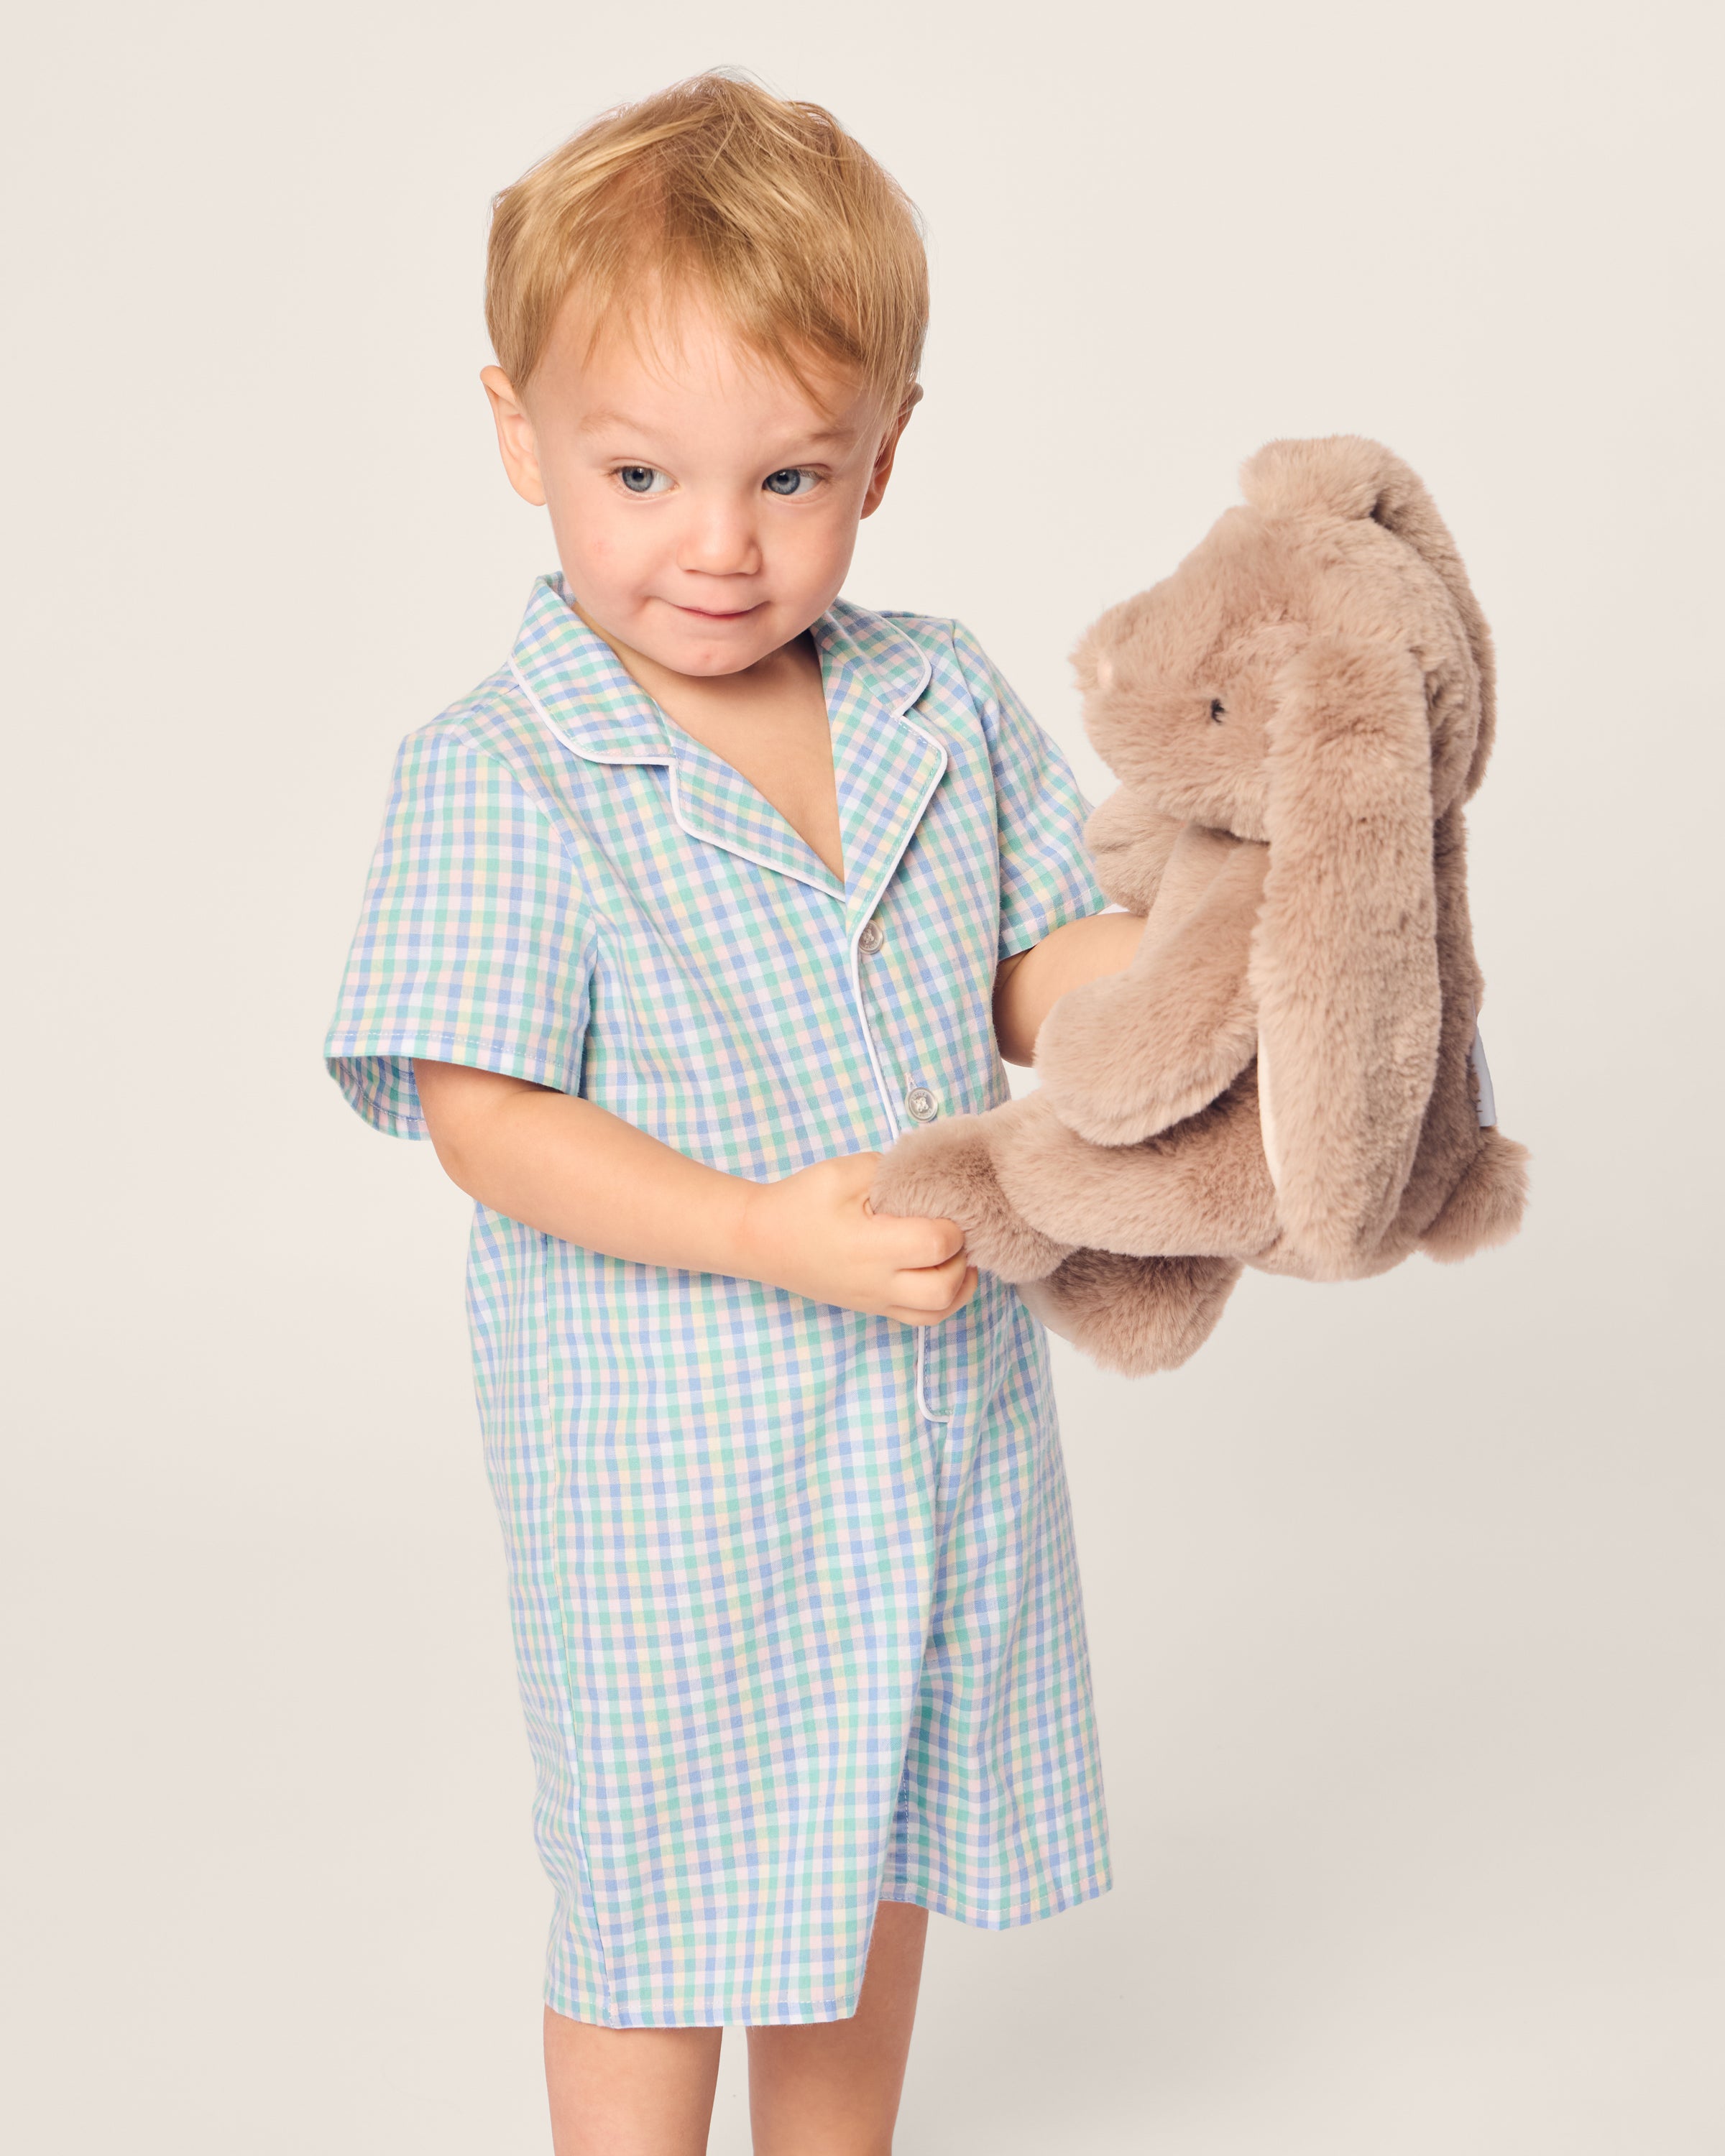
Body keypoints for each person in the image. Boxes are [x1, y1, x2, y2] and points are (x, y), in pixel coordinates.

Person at [324, 72, 1144, 2156]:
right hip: (679, 1469)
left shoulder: (937, 699)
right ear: (517, 434)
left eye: (792, 474)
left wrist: (1168, 998)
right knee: (667, 1890)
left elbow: (1038, 962)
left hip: (930, 1428)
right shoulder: (500, 768)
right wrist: (763, 1230)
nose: (720, 544)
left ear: (886, 446)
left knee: (872, 1846)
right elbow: (488, 1116)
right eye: (640, 471)